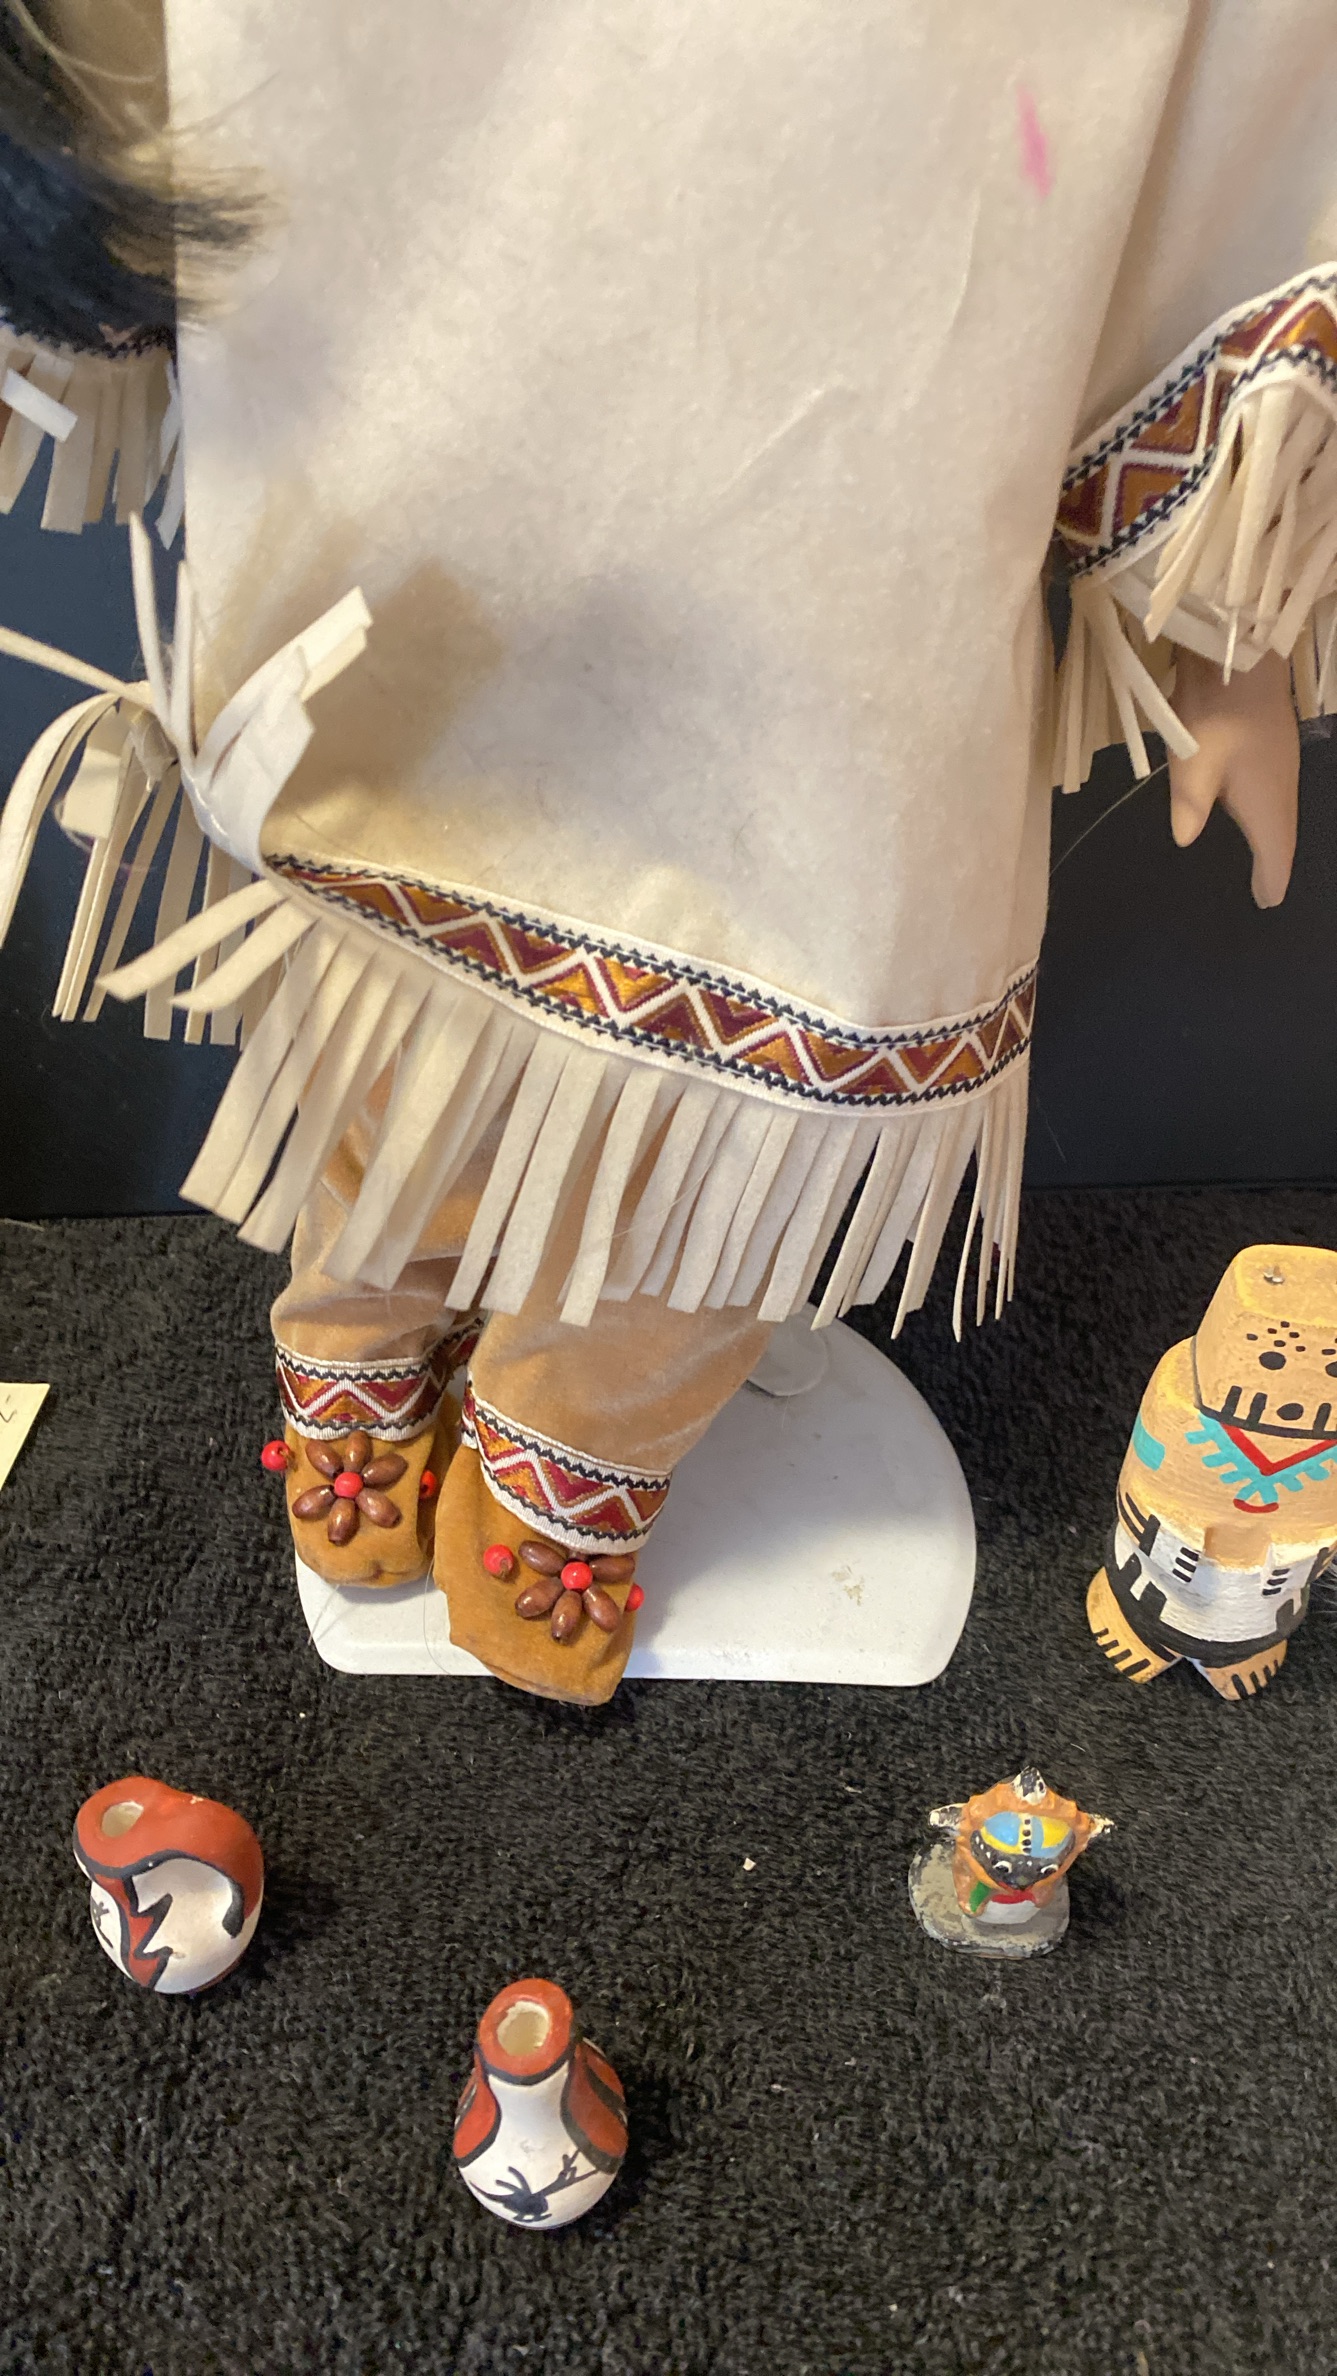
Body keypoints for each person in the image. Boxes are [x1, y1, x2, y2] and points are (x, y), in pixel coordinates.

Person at [0, 0, 1334, 1702]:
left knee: (750, 1089)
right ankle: (371, 1349)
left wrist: (1231, 637)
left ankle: (559, 1443)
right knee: (396, 1021)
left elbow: (1238, 88)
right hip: (420, 429)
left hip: (842, 506)